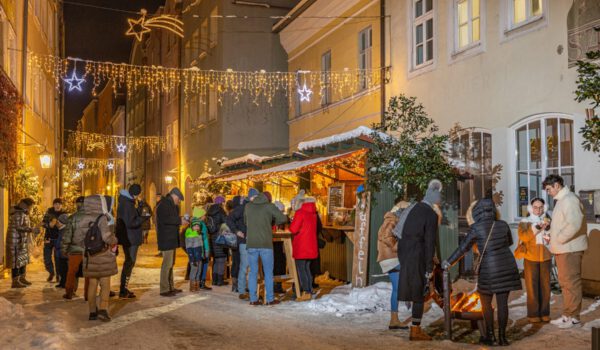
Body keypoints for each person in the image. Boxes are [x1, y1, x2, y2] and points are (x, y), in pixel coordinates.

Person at [443, 199, 522, 346]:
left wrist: (449, 262)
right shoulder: (503, 225)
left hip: (488, 268)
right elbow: (508, 242)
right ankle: (503, 338)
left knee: (486, 303)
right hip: (506, 266)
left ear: (477, 212)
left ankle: (490, 336)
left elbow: (463, 249)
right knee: (503, 304)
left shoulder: (476, 228)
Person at [397, 180, 441, 341]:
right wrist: (429, 266)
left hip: (405, 253)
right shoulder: (431, 214)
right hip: (418, 255)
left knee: (413, 289)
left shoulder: (412, 208)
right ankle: (415, 330)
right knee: (419, 292)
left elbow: (400, 234)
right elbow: (430, 242)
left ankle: (415, 328)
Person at [543, 175, 588, 329]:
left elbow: (574, 224)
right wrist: (552, 236)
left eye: (549, 189)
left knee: (571, 283)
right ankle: (567, 315)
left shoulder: (569, 199)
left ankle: (574, 318)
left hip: (570, 249)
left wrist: (559, 239)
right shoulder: (563, 200)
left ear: (556, 185)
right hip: (564, 249)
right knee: (565, 283)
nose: (548, 192)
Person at [76, 195, 118, 322]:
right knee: (105, 284)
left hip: (89, 257)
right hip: (103, 255)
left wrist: (87, 248)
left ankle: (92, 311)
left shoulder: (82, 218)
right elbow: (106, 237)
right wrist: (115, 240)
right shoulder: (102, 218)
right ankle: (103, 309)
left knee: (92, 284)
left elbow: (78, 239)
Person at [244, 191, 288, 305]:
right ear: (268, 199)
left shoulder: (248, 206)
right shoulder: (269, 206)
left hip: (251, 243)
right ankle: (269, 299)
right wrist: (272, 222)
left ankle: (253, 299)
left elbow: (245, 221)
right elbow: (283, 218)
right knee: (268, 273)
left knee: (253, 272)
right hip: (266, 244)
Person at [377, 196, 410, 330]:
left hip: (390, 258)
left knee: (396, 289)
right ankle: (417, 302)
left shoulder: (393, 220)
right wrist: (398, 246)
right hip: (391, 258)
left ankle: (394, 320)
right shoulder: (391, 220)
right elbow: (386, 236)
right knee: (412, 270)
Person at [518, 198, 552, 323]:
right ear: (531, 208)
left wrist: (548, 230)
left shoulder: (548, 221)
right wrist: (537, 227)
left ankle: (544, 312)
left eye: (541, 207)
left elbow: (553, 237)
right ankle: (533, 314)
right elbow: (524, 236)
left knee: (545, 287)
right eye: (536, 207)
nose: (538, 210)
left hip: (545, 257)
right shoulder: (525, 221)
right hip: (530, 257)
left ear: (545, 208)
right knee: (532, 287)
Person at [116, 184, 149, 299]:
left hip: (129, 237)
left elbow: (131, 217)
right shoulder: (127, 204)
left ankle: (124, 288)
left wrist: (139, 208)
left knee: (129, 262)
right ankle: (123, 290)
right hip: (130, 238)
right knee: (129, 263)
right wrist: (143, 218)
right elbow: (131, 222)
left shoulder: (127, 202)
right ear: (136, 193)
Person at [156, 188, 186, 297]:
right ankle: (164, 289)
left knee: (170, 264)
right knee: (167, 264)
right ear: (174, 196)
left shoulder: (171, 204)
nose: (179, 201)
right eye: (178, 199)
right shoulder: (164, 204)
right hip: (166, 239)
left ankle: (170, 287)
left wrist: (181, 219)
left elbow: (172, 218)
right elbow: (166, 219)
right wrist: (179, 221)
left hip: (171, 239)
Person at [289, 197, 318, 302]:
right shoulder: (314, 214)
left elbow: (293, 229)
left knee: (301, 270)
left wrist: (291, 222)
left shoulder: (300, 213)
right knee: (307, 269)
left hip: (302, 246)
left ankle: (306, 292)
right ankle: (309, 290)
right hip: (311, 246)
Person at [227, 193, 252, 299]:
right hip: (239, 241)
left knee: (241, 263)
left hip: (242, 240)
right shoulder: (241, 209)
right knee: (241, 264)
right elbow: (229, 220)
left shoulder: (247, 208)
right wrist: (237, 231)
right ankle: (238, 286)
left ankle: (240, 286)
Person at [6, 198, 36, 288]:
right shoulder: (18, 213)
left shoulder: (23, 213)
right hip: (15, 241)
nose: (32, 208)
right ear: (26, 205)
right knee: (15, 261)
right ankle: (15, 281)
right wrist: (31, 229)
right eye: (31, 206)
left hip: (21, 240)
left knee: (22, 259)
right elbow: (19, 227)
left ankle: (22, 278)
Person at [62, 196, 86, 299]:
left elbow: (67, 235)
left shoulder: (72, 218)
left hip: (74, 250)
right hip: (88, 250)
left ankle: (69, 293)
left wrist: (64, 249)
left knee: (71, 272)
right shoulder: (92, 217)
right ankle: (88, 294)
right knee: (88, 274)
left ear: (77, 205)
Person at [42, 198, 65, 283]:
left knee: (58, 258)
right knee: (47, 257)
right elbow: (43, 223)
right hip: (48, 238)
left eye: (59, 204)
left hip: (59, 239)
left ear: (61, 205)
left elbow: (67, 226)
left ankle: (58, 275)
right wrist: (49, 225)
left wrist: (60, 225)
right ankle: (51, 272)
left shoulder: (64, 214)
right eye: (56, 204)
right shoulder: (49, 213)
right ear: (53, 204)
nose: (57, 205)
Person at [206, 199, 228, 286]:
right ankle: (220, 280)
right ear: (221, 203)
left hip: (211, 238)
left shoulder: (209, 211)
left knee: (216, 259)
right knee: (221, 259)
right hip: (220, 237)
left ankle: (214, 280)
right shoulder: (220, 211)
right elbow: (226, 222)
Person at [185, 217, 208, 291]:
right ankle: (192, 286)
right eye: (195, 226)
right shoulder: (190, 235)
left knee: (199, 270)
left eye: (198, 226)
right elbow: (189, 248)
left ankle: (197, 285)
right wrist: (191, 258)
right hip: (194, 258)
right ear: (192, 226)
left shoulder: (199, 234)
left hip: (199, 257)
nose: (197, 227)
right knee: (194, 270)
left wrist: (203, 254)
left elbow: (201, 247)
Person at [54, 214, 70, 289]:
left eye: (58, 221)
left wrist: (57, 245)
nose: (57, 223)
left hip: (63, 253)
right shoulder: (61, 230)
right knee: (60, 269)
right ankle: (62, 282)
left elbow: (63, 242)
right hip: (60, 253)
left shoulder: (65, 230)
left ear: (62, 222)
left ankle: (64, 283)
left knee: (64, 269)